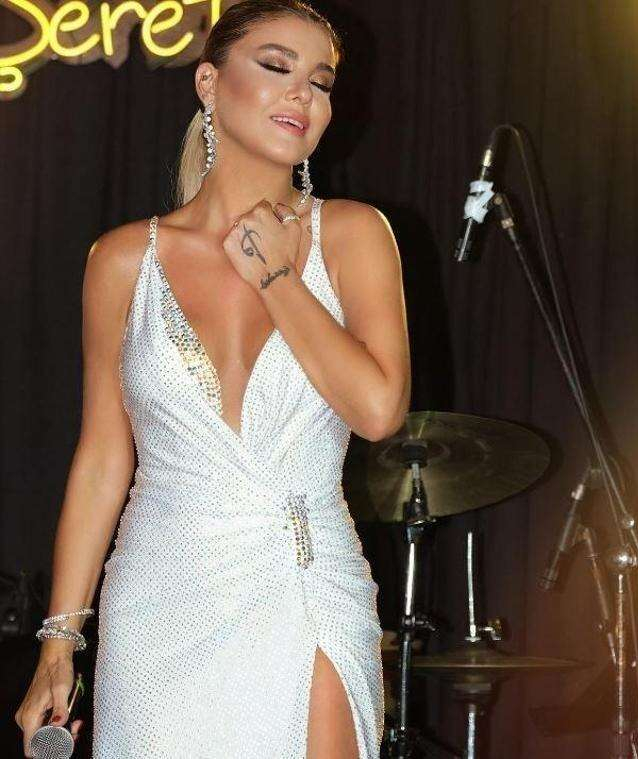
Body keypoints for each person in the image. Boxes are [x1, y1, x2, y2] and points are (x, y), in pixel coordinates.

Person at [14, 0, 411, 756]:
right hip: (158, 602)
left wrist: (276, 278)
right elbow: (102, 457)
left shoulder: (353, 234)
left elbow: (379, 410)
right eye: (276, 67)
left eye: (321, 81)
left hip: (304, 584)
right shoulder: (122, 260)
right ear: (208, 82)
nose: (302, 94)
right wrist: (59, 640)